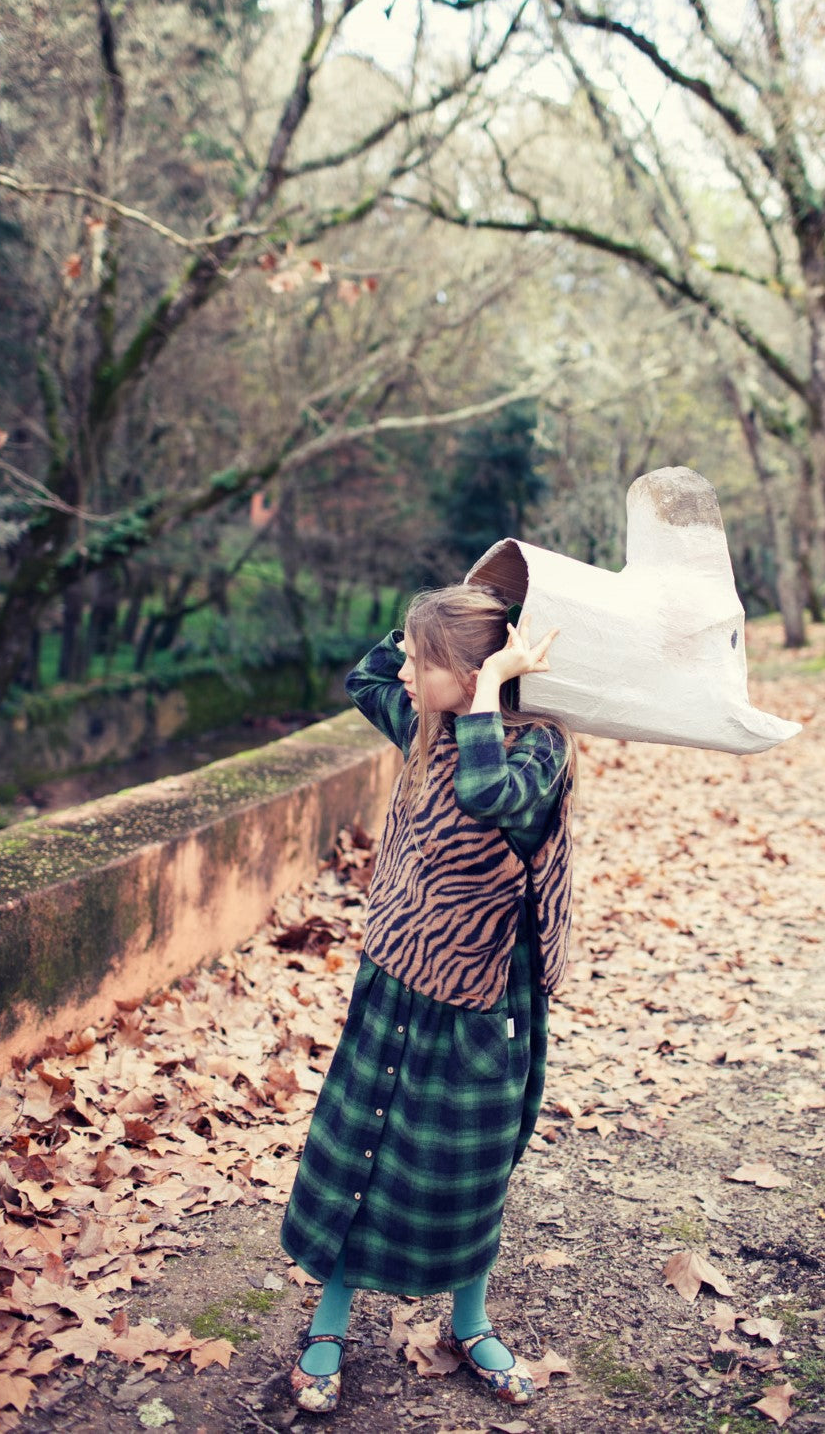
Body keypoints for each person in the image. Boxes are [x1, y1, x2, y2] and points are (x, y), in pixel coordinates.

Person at [279, 583, 575, 1416]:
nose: (405, 673)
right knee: (362, 1149)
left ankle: (469, 1321)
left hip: (482, 997)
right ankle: (330, 1321)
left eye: (424, 661)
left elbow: (489, 795)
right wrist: (441, 617)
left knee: (466, 1169)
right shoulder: (425, 719)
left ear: (476, 677)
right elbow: (365, 677)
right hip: (398, 972)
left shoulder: (539, 748)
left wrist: (489, 683)